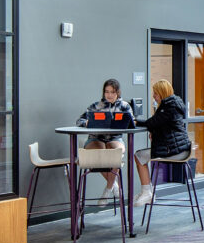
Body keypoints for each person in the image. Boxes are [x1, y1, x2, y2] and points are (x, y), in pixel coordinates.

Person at [132, 78, 192, 206]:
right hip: (181, 149)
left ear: (162, 93)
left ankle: (147, 192)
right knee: (141, 156)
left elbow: (152, 123)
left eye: (156, 93)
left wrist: (134, 121)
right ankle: (147, 191)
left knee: (138, 156)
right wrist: (154, 132)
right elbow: (163, 126)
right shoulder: (173, 105)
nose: (153, 96)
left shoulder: (168, 107)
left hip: (175, 151)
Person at [76, 78, 133, 199]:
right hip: (96, 139)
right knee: (99, 152)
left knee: (117, 152)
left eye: (112, 92)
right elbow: (79, 120)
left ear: (118, 92)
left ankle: (108, 189)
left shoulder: (125, 106)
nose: (109, 95)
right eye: (107, 92)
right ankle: (114, 185)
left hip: (115, 138)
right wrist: (86, 123)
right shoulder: (96, 106)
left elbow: (131, 122)